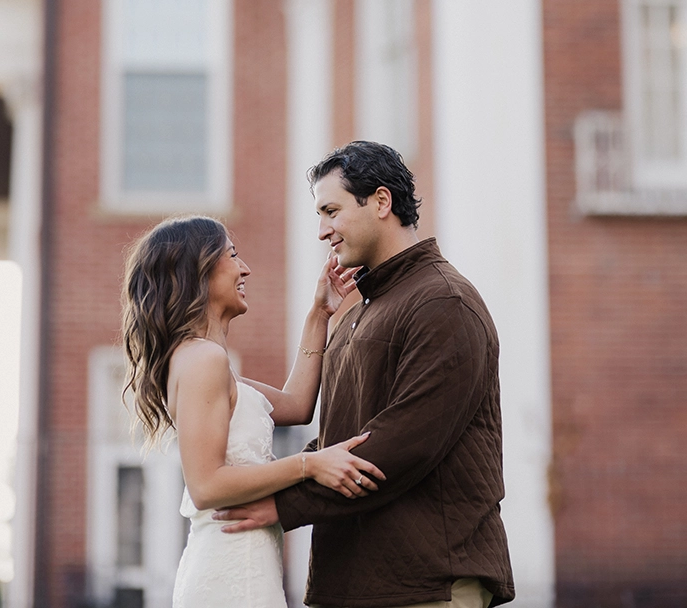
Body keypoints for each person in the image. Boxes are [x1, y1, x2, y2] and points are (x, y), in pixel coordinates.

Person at [213, 141, 515, 608]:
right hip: (352, 581)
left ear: (380, 202)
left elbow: (400, 446)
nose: (322, 231)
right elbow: (336, 441)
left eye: (331, 211)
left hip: (426, 585)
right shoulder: (358, 313)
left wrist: (281, 503)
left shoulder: (443, 302)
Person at [121, 215, 387, 608]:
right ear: (198, 272)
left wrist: (320, 313)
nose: (244, 269)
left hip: (243, 565)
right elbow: (206, 486)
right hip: (232, 572)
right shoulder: (203, 361)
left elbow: (297, 405)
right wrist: (310, 465)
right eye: (232, 256)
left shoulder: (207, 361)